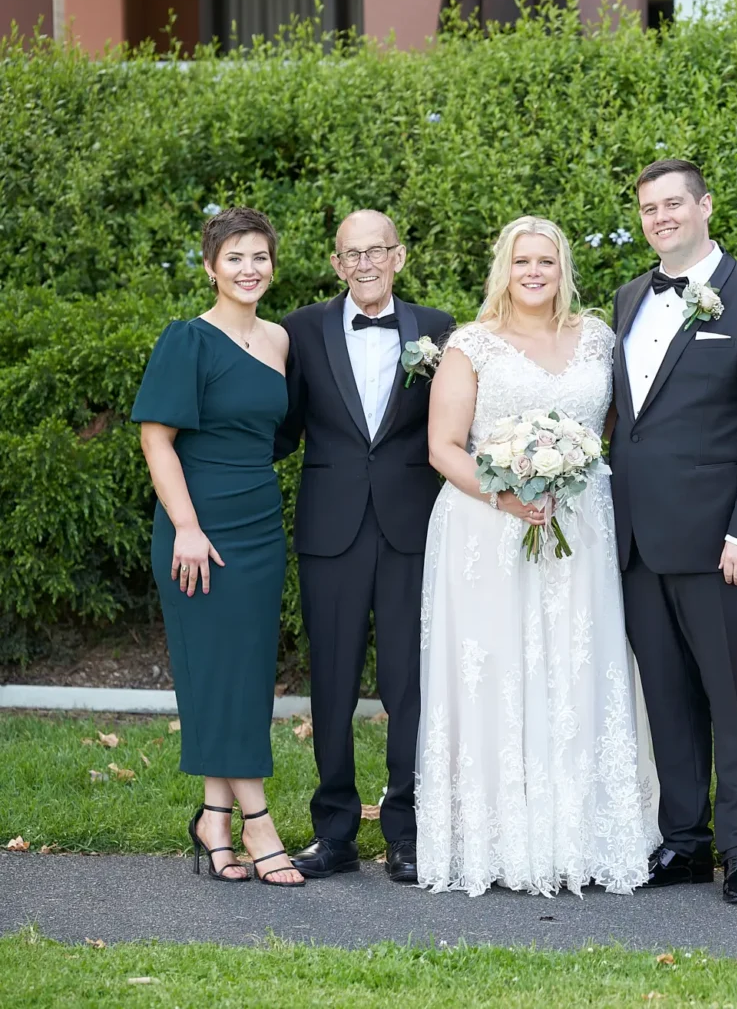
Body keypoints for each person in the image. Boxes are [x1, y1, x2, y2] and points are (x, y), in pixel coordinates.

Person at [414, 216, 659, 897]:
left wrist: (565, 476)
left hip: (581, 525)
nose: (533, 271)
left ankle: (583, 836)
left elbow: (612, 428)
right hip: (487, 532)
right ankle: (502, 841)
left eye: (545, 261)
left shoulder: (599, 339)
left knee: (581, 668)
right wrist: (509, 496)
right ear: (504, 267)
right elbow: (443, 447)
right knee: (500, 670)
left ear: (562, 267)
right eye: (521, 260)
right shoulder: (472, 345)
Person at [610, 159, 737, 905]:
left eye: (673, 205)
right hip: (638, 541)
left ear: (704, 207)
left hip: (726, 543)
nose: (661, 218)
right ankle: (684, 842)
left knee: (733, 699)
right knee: (667, 698)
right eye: (649, 208)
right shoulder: (629, 296)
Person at [275, 211, 455, 884]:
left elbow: (455, 424)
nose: (365, 264)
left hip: (412, 526)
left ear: (398, 256)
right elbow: (281, 425)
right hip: (332, 528)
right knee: (332, 685)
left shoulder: (438, 328)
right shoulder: (301, 329)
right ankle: (335, 832)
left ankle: (405, 832)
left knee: (410, 684)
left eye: (376, 251)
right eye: (352, 254)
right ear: (336, 263)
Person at [132, 206, 304, 887]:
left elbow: (278, 433)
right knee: (216, 673)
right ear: (210, 267)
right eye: (234, 257)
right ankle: (258, 825)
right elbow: (156, 438)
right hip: (195, 531)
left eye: (259, 256)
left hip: (259, 524)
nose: (249, 268)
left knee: (244, 675)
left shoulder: (281, 340)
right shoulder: (187, 341)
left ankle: (213, 816)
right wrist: (188, 527)